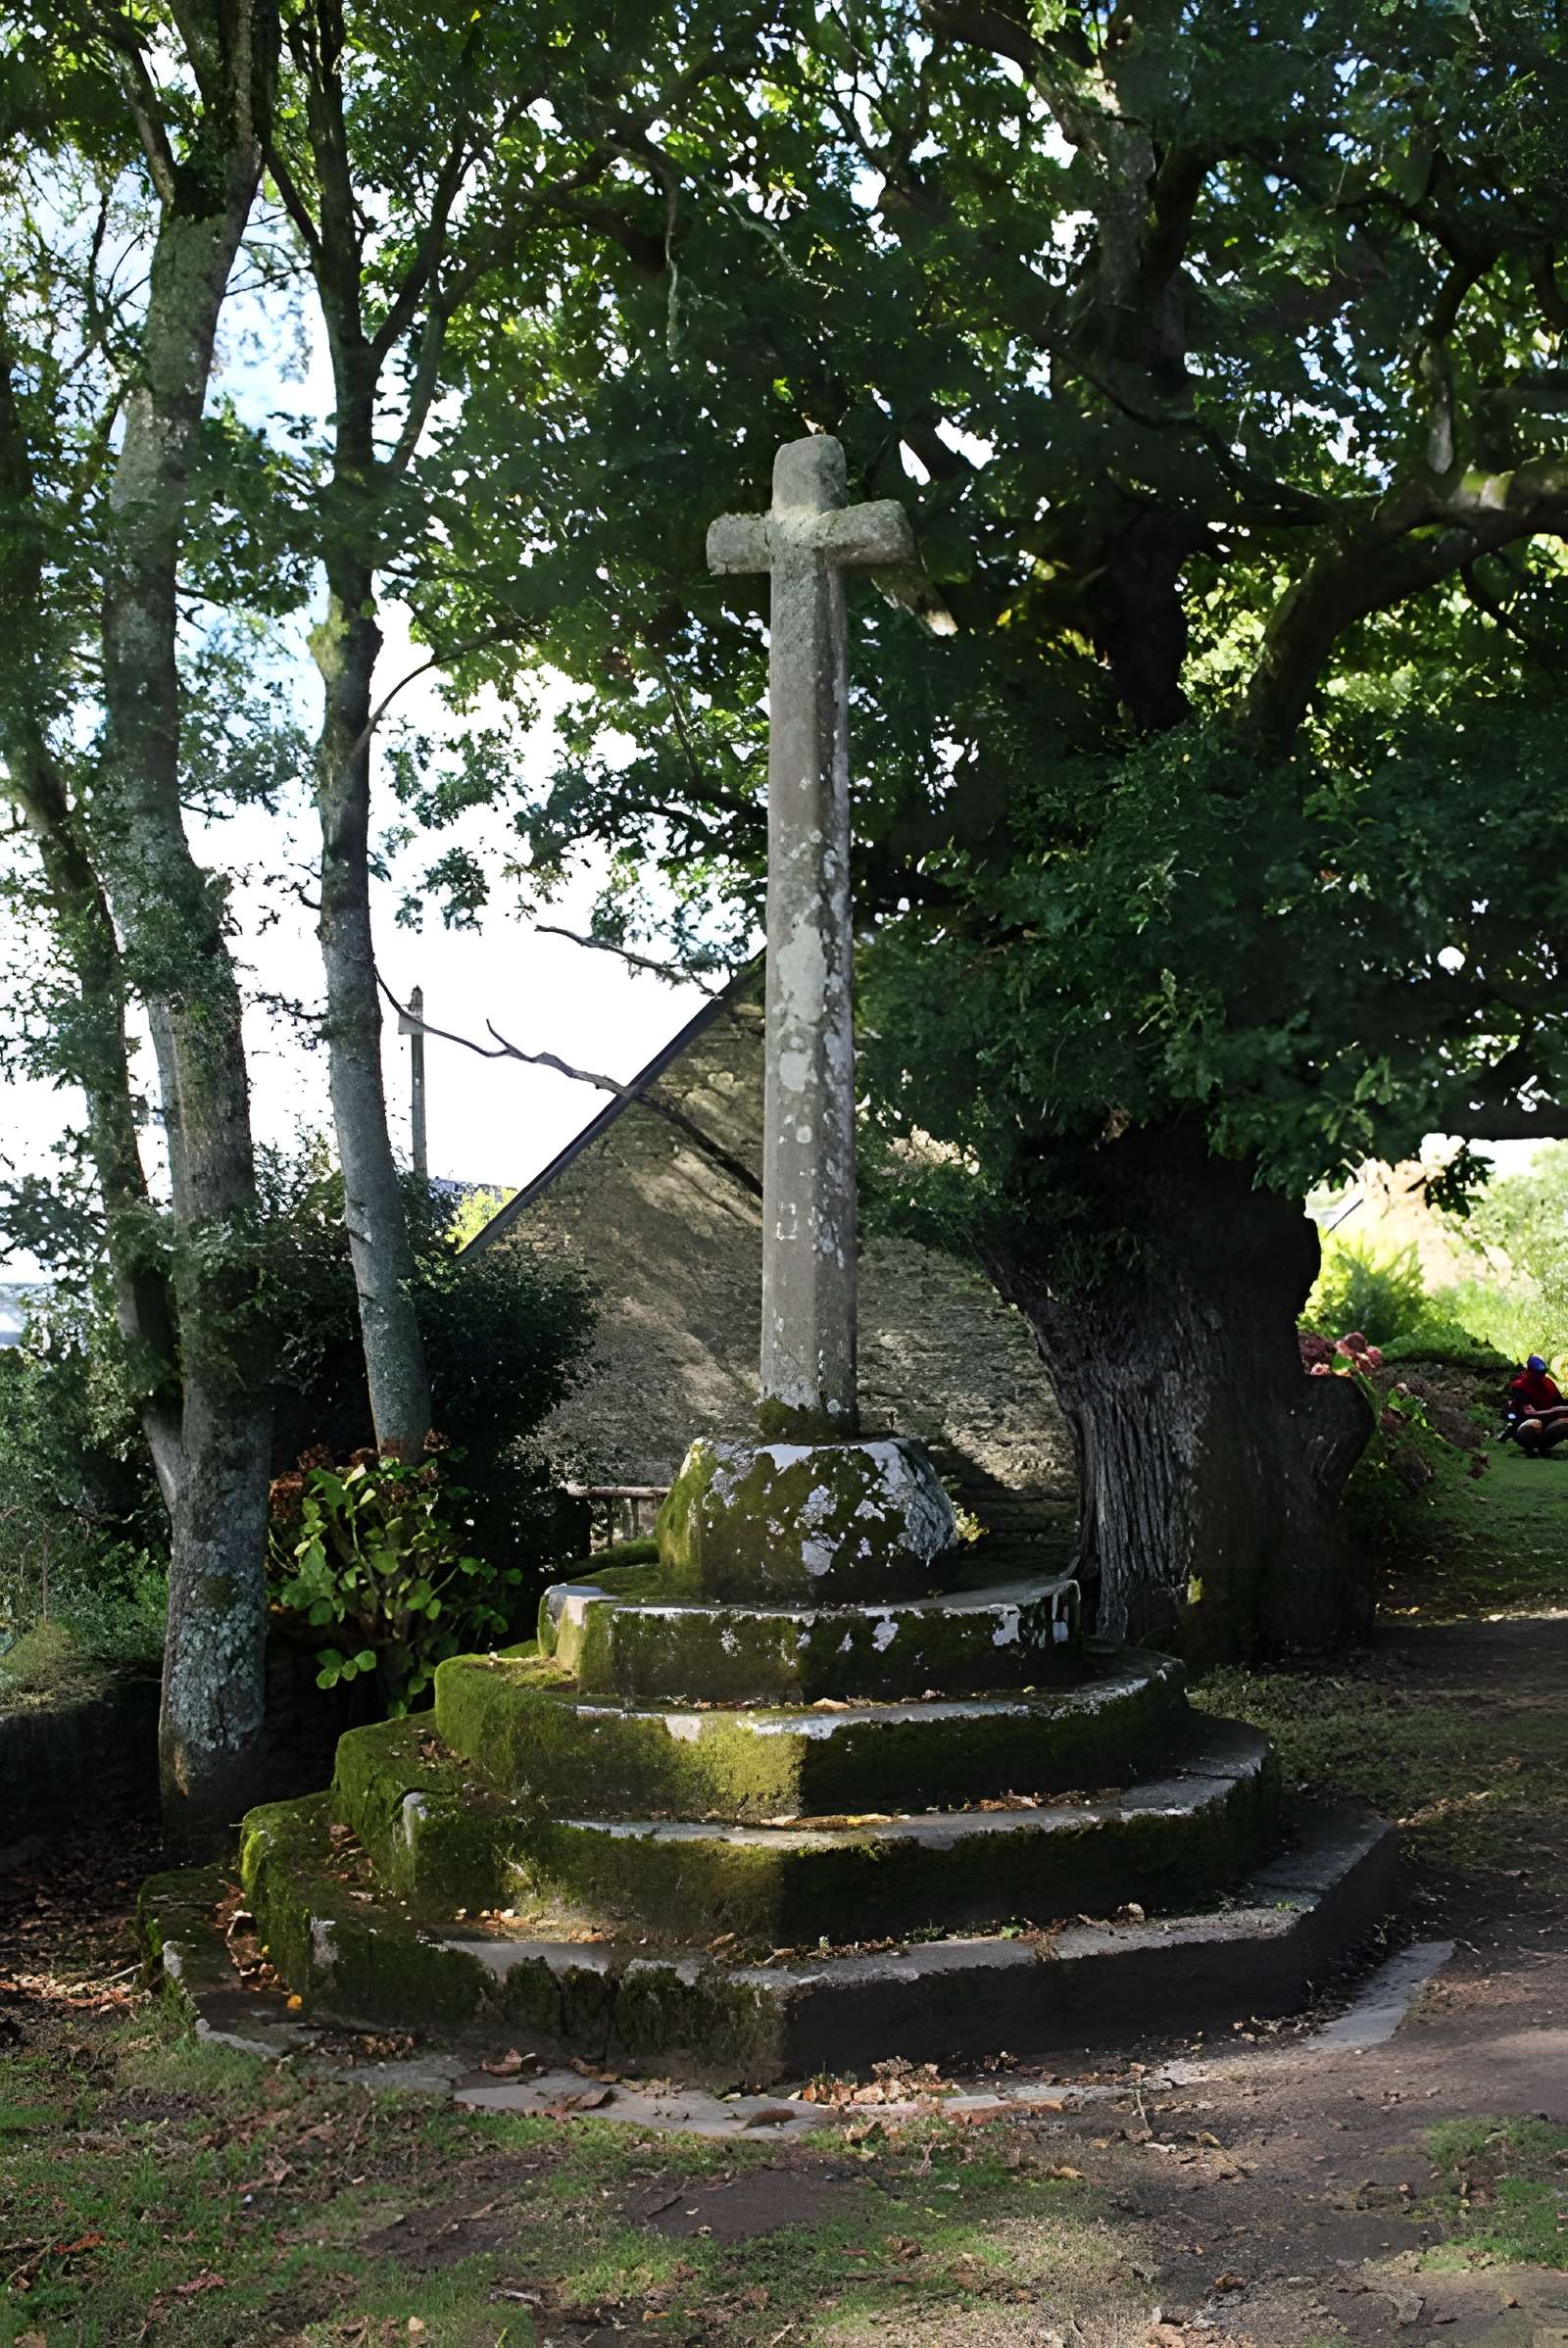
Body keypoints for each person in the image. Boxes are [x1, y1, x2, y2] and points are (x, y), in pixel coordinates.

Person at [1503, 1354, 1568, 1455]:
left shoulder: (1548, 1383)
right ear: (1530, 1371)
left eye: (1543, 1373)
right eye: (1539, 1373)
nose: (1541, 1376)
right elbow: (1529, 1412)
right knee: (1534, 1424)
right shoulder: (1519, 1386)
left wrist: (1561, 1409)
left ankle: (1544, 1448)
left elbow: (1560, 1401)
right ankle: (1529, 1447)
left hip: (1549, 1424)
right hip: (1526, 1422)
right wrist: (1555, 1409)